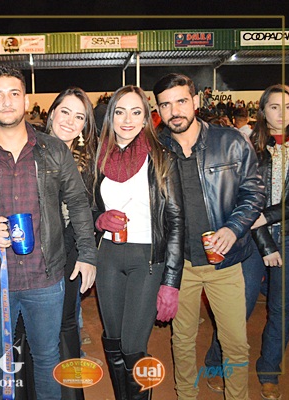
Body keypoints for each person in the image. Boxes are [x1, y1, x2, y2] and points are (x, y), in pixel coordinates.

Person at [0, 66, 97, 400]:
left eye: (14, 93)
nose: (7, 101)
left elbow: (78, 203)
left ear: (26, 100)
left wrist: (88, 254)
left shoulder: (53, 150)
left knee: (46, 359)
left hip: (45, 279)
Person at [153, 73, 265, 400]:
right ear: (158, 109)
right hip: (180, 266)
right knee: (182, 340)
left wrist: (233, 228)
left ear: (196, 101)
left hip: (225, 264)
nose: (174, 111)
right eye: (165, 105)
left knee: (235, 344)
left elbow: (254, 192)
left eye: (181, 101)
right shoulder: (156, 148)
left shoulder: (230, 141)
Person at [205, 84, 289, 400]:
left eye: (287, 107)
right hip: (251, 240)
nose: (281, 113)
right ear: (262, 111)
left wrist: (268, 218)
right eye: (274, 107)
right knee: (237, 308)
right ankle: (216, 363)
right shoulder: (248, 149)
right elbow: (243, 201)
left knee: (280, 309)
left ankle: (270, 372)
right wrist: (266, 243)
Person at [92, 86, 184, 399]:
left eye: (136, 112)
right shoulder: (99, 157)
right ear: (111, 117)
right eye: (120, 112)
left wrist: (171, 282)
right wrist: (99, 220)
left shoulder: (162, 158)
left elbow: (176, 221)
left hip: (147, 260)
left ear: (146, 117)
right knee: (113, 341)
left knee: (133, 347)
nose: (127, 119)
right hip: (108, 256)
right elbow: (89, 207)